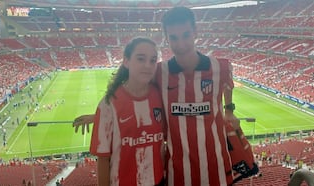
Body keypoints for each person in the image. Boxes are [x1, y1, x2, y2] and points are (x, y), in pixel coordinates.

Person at [74, 7, 257, 186]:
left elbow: (227, 84)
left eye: (186, 35)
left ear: (195, 32)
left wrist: (229, 109)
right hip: (176, 174)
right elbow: (132, 86)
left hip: (217, 170)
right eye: (174, 38)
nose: (181, 45)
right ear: (167, 38)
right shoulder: (160, 72)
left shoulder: (221, 67)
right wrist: (100, 116)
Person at [88, 37, 165, 185]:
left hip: (158, 181)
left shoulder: (160, 96)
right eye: (141, 59)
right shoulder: (108, 104)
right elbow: (103, 159)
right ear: (126, 61)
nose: (148, 65)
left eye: (153, 60)